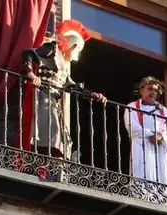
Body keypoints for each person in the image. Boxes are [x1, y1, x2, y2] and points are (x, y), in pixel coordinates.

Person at [21, 20, 106, 160]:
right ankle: (45, 162)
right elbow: (28, 53)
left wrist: (92, 95)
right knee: (50, 132)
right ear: (72, 44)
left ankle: (53, 163)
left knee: (59, 136)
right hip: (43, 95)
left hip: (54, 100)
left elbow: (70, 86)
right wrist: (30, 73)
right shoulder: (51, 49)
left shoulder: (62, 62)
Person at [123, 76, 167, 187]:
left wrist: (161, 136)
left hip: (160, 148)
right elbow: (132, 126)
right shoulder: (132, 107)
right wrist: (150, 135)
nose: (153, 92)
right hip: (141, 146)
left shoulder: (163, 110)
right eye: (150, 89)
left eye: (156, 90)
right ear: (141, 90)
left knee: (162, 175)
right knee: (141, 173)